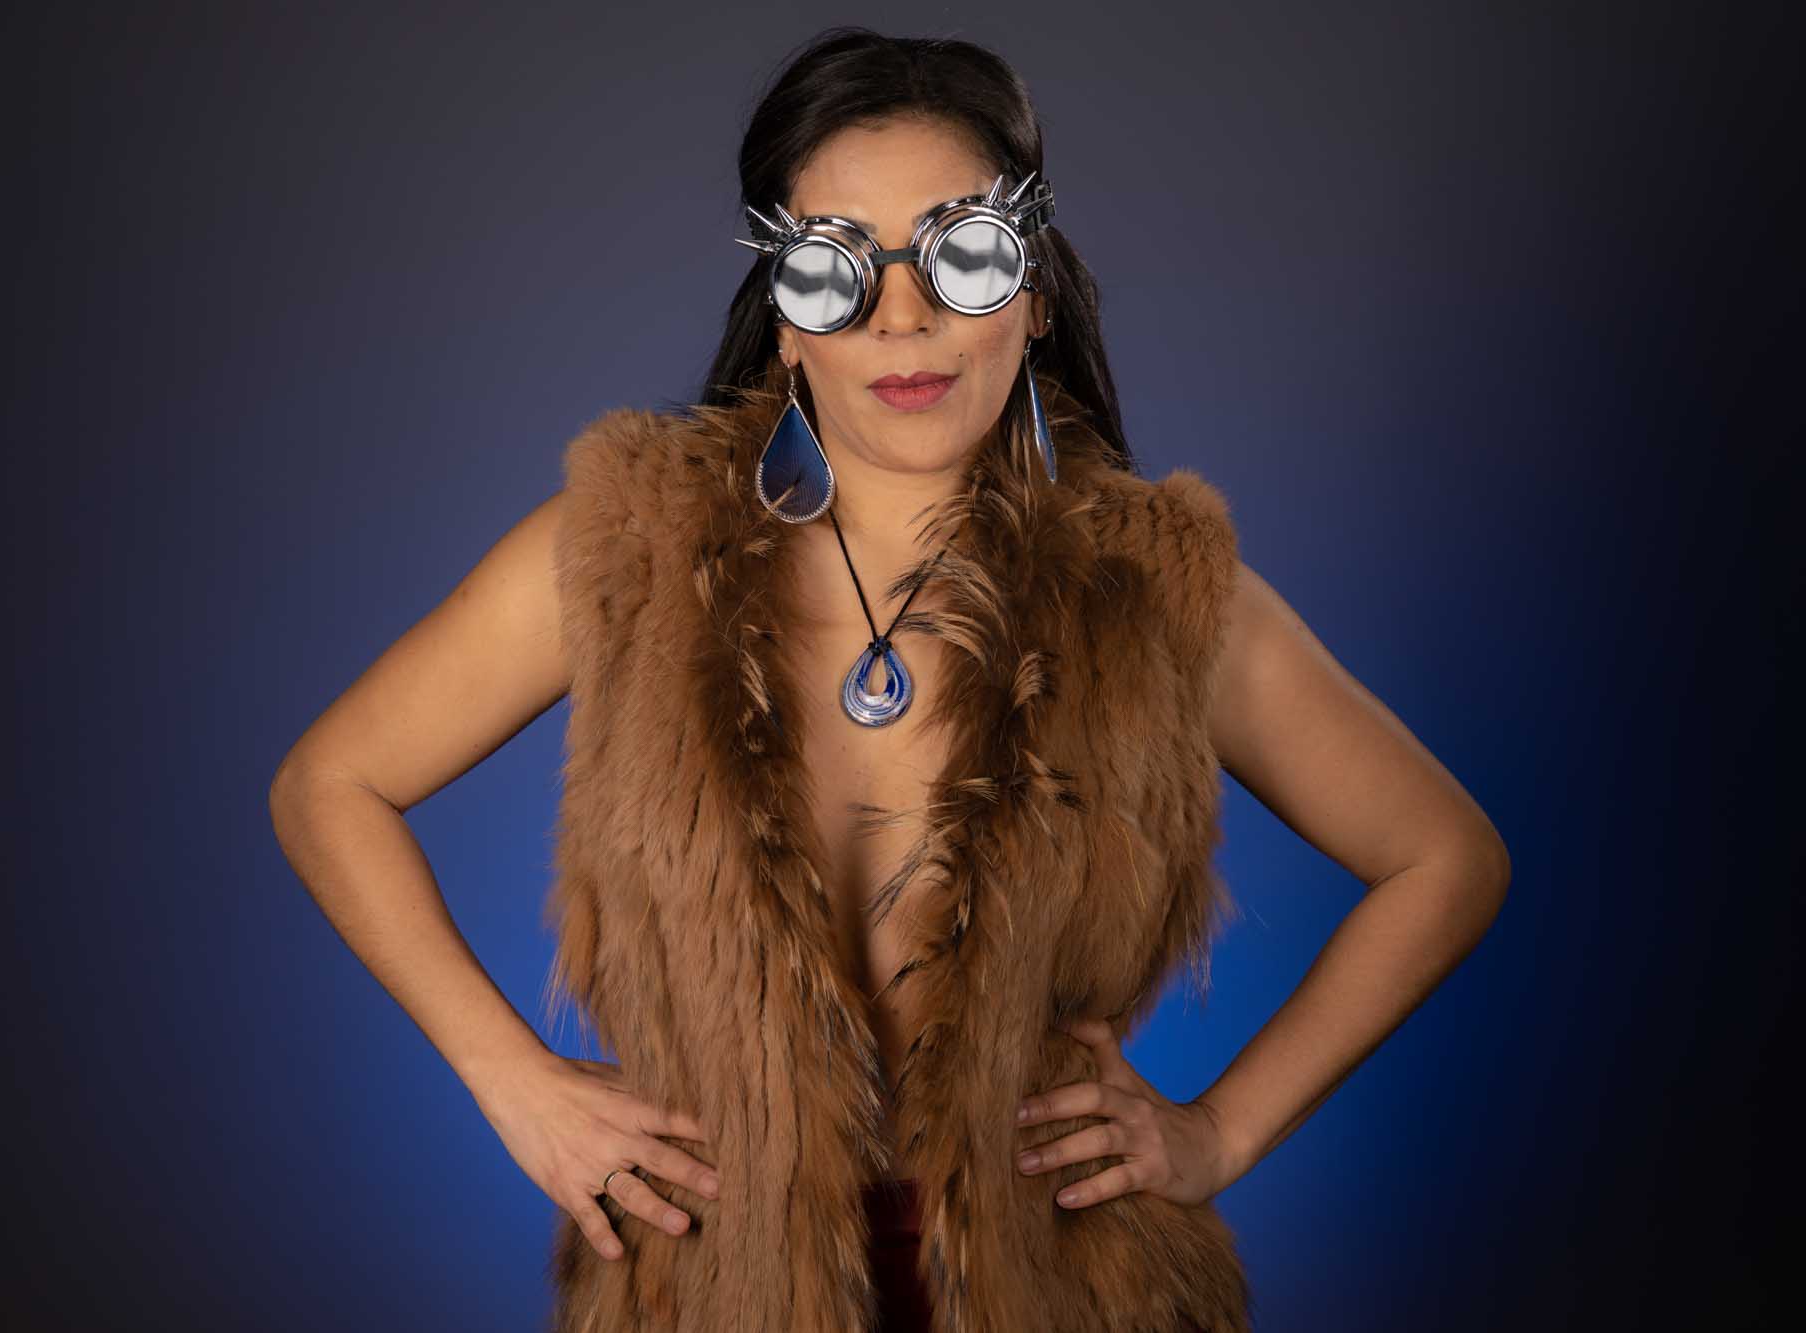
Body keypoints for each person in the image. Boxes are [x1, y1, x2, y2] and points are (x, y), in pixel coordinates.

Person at [268, 27, 1510, 1333]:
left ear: (1031, 293)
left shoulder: (1152, 589)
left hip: (1072, 1292)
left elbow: (1444, 854)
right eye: (835, 267)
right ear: (787, 320)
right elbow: (330, 782)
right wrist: (508, 1075)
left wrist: (1219, 1131)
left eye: (961, 253)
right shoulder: (628, 547)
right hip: (707, 1292)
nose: (902, 316)